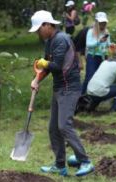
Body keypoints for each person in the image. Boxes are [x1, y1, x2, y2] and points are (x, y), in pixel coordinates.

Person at [29, 10, 94, 177]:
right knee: (53, 129)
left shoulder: (61, 39)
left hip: (69, 88)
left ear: (48, 25)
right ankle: (60, 165)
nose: (38, 32)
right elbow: (46, 67)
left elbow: (56, 65)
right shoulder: (49, 41)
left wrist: (45, 63)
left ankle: (85, 161)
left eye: (38, 29)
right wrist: (36, 80)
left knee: (64, 125)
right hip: (59, 88)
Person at [82, 12, 111, 95]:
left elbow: (108, 43)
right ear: (97, 22)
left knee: (99, 77)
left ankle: (93, 96)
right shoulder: (90, 31)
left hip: (103, 56)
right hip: (92, 56)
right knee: (89, 76)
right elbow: (88, 45)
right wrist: (99, 41)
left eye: (104, 23)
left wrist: (111, 45)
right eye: (101, 23)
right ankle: (82, 95)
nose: (103, 25)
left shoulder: (106, 32)